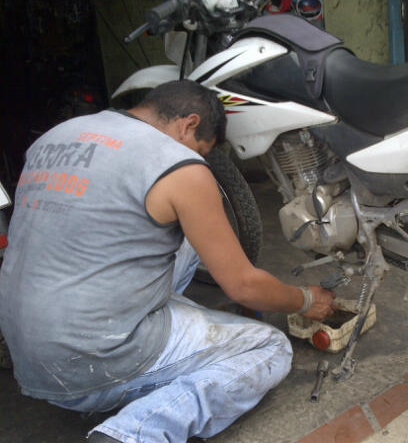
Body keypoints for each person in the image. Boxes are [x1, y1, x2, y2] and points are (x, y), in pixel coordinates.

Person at [0, 80, 335, 442]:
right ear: (189, 124)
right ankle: (131, 434)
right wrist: (306, 300)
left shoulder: (58, 135)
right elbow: (243, 286)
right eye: (202, 150)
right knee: (269, 348)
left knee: (188, 236)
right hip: (91, 364)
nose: (200, 159)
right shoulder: (178, 166)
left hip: (25, 350)